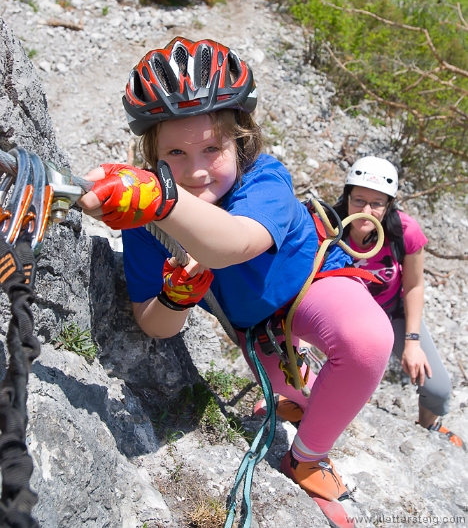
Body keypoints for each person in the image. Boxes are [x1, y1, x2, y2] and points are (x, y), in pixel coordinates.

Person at [79, 37, 394, 520]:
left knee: (366, 340)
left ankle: (307, 460)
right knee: (303, 400)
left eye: (212, 147)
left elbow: (234, 241)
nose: (197, 170)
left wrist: (161, 199)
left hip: (314, 286)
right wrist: (176, 297)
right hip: (257, 330)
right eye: (177, 154)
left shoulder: (263, 177)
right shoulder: (147, 221)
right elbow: (153, 323)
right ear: (152, 153)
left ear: (242, 142)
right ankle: (299, 393)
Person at [329, 156, 464, 449]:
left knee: (438, 390)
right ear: (346, 196)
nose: (366, 211)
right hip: (345, 319)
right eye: (359, 200)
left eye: (376, 203)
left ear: (389, 204)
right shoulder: (327, 227)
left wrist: (412, 342)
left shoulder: (403, 231)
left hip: (392, 313)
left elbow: (414, 285)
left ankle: (430, 425)